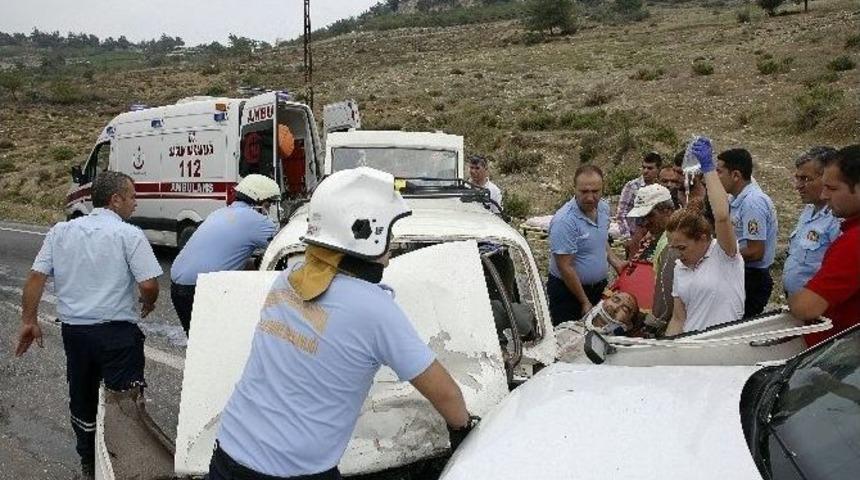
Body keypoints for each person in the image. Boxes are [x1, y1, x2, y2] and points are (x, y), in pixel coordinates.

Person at [209, 167, 475, 480]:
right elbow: (446, 394)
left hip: (229, 454)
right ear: (368, 232)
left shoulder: (288, 279)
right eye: (389, 231)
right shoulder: (374, 309)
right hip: (296, 473)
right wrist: (463, 428)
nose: (392, 243)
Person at [14, 171, 162, 479]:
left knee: (81, 396)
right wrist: (148, 303)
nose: (135, 203)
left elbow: (36, 277)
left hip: (76, 334)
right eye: (132, 197)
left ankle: (88, 461)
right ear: (115, 200)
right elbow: (148, 284)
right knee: (124, 401)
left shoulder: (60, 232)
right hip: (118, 335)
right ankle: (125, 464)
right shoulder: (129, 234)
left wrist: (29, 320)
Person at [170, 174, 280, 335]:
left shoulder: (220, 213)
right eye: (269, 204)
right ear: (260, 201)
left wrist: (256, 263)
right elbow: (282, 244)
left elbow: (228, 256)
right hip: (201, 288)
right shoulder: (256, 220)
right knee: (221, 340)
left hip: (178, 287)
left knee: (198, 343)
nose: (269, 209)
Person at [665, 138, 745, 336]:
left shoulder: (725, 255)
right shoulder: (680, 268)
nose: (677, 255)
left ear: (703, 238)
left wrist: (708, 169)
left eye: (682, 248)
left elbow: (722, 215)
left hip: (723, 346)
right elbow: (678, 318)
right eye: (673, 248)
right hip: (691, 349)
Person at [789, 144, 860, 346]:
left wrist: (794, 300)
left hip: (838, 358)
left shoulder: (853, 242)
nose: (824, 195)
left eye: (832, 188)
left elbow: (806, 307)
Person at [547, 165, 626, 326]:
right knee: (568, 340)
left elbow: (600, 237)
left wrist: (614, 260)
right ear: (574, 189)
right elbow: (565, 266)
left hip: (598, 288)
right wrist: (584, 301)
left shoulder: (603, 208)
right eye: (584, 192)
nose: (590, 197)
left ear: (603, 188)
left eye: (595, 191)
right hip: (568, 293)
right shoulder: (565, 221)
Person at [716, 148, 778, 318]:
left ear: (735, 175)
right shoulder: (735, 199)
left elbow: (756, 251)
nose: (716, 177)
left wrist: (717, 254)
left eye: (719, 172)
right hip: (741, 272)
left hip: (752, 278)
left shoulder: (752, 203)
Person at [783, 147, 842, 297]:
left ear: (827, 177)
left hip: (819, 307)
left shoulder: (837, 220)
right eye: (797, 178)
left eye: (805, 179)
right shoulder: (809, 209)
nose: (798, 186)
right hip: (797, 300)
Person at [624, 184, 676, 334]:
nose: (645, 223)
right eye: (642, 218)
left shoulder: (670, 244)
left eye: (649, 215)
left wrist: (651, 325)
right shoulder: (663, 238)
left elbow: (665, 301)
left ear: (667, 211)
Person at [615, 152, 662, 238]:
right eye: (644, 167)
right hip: (635, 235)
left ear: (658, 169)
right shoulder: (632, 186)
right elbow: (621, 214)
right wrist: (627, 236)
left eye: (650, 168)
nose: (645, 171)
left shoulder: (662, 186)